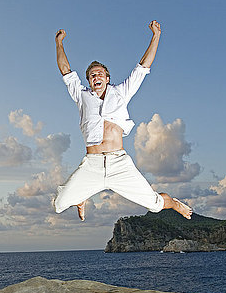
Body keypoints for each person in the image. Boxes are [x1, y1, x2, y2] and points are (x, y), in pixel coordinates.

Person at [53, 20, 193, 222]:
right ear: (89, 81)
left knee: (154, 205)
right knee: (59, 205)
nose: (96, 76)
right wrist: (59, 43)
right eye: (92, 75)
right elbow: (66, 70)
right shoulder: (82, 96)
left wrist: (156, 36)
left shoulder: (120, 93)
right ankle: (80, 197)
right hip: (91, 165)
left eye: (100, 73)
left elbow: (143, 67)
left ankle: (174, 203)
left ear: (107, 78)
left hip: (119, 163)